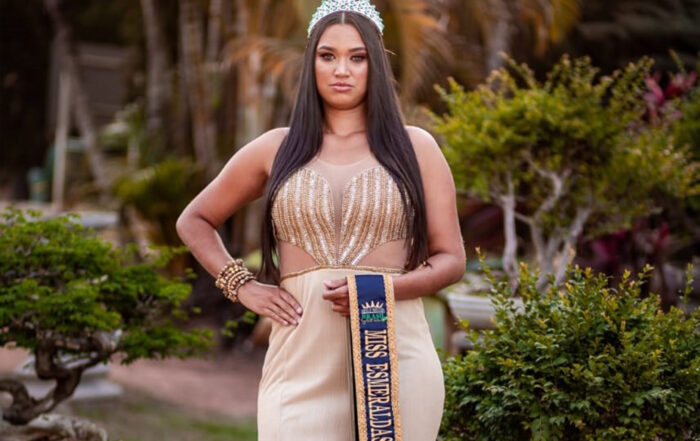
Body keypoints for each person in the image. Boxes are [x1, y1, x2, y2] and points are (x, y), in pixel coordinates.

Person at [176, 1, 465, 440]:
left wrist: (384, 290)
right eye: (328, 56)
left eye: (357, 57)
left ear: (375, 65)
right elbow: (195, 219)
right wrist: (243, 286)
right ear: (311, 63)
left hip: (396, 363)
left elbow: (451, 259)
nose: (341, 70)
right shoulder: (276, 149)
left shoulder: (416, 148)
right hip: (298, 367)